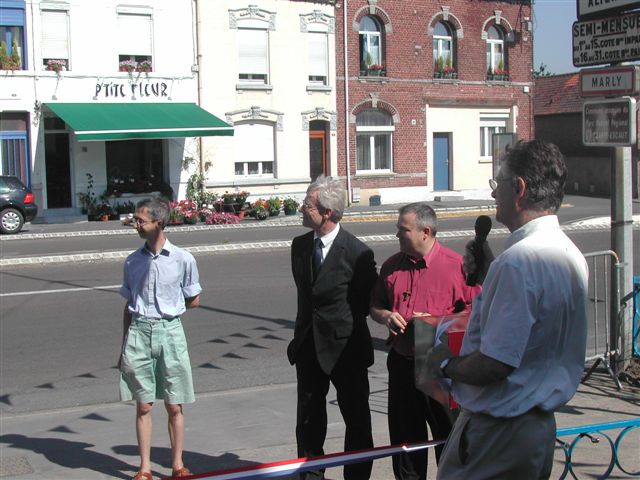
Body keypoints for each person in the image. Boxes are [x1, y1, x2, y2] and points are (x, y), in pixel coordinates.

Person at [428, 140, 589, 479]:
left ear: (519, 188)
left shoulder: (518, 262)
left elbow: (495, 364)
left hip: (497, 434)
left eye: (496, 184)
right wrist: (489, 270)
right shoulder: (568, 252)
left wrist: (444, 363)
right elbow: (534, 321)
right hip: (533, 430)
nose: (492, 195)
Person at [369, 203, 481, 480]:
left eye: (403, 230)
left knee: (449, 439)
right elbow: (375, 305)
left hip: (440, 367)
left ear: (425, 232)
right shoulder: (393, 266)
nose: (397, 234)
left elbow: (478, 317)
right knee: (406, 443)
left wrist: (436, 321)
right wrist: (385, 316)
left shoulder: (458, 267)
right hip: (402, 363)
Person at [288, 175, 378, 480]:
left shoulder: (357, 252)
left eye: (308, 204)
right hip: (308, 349)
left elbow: (367, 302)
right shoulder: (299, 246)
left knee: (357, 421)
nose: (301, 208)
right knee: (309, 422)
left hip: (346, 351)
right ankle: (311, 475)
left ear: (327, 212)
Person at [119, 197, 202, 480]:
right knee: (143, 404)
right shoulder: (132, 261)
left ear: (160, 223)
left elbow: (194, 299)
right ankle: (144, 468)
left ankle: (177, 465)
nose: (136, 225)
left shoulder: (183, 259)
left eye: (141, 220)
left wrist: (169, 311)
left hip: (170, 331)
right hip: (139, 332)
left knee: (174, 403)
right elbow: (128, 304)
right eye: (136, 220)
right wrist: (124, 347)